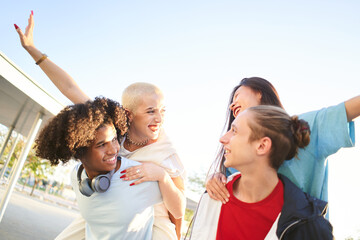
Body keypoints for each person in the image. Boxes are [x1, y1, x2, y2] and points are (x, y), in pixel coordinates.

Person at [15, 12, 185, 240]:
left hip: (151, 218)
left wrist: (176, 231)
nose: (159, 119)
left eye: (162, 111)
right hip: (108, 202)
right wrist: (32, 50)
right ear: (129, 114)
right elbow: (70, 87)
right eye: (151, 111)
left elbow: (178, 211)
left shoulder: (167, 152)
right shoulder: (111, 125)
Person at [206, 77, 359, 208]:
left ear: (259, 92)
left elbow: (347, 110)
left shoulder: (301, 128)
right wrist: (216, 179)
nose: (232, 106)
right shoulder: (236, 155)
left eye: (237, 97)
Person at [189, 105, 333, 240]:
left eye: (234, 131)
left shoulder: (309, 226)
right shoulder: (212, 197)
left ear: (262, 145)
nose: (223, 139)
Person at [35, 97, 162, 239]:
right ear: (79, 152)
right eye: (101, 145)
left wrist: (163, 177)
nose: (113, 150)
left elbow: (174, 208)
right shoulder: (76, 175)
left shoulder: (136, 174)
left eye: (114, 140)